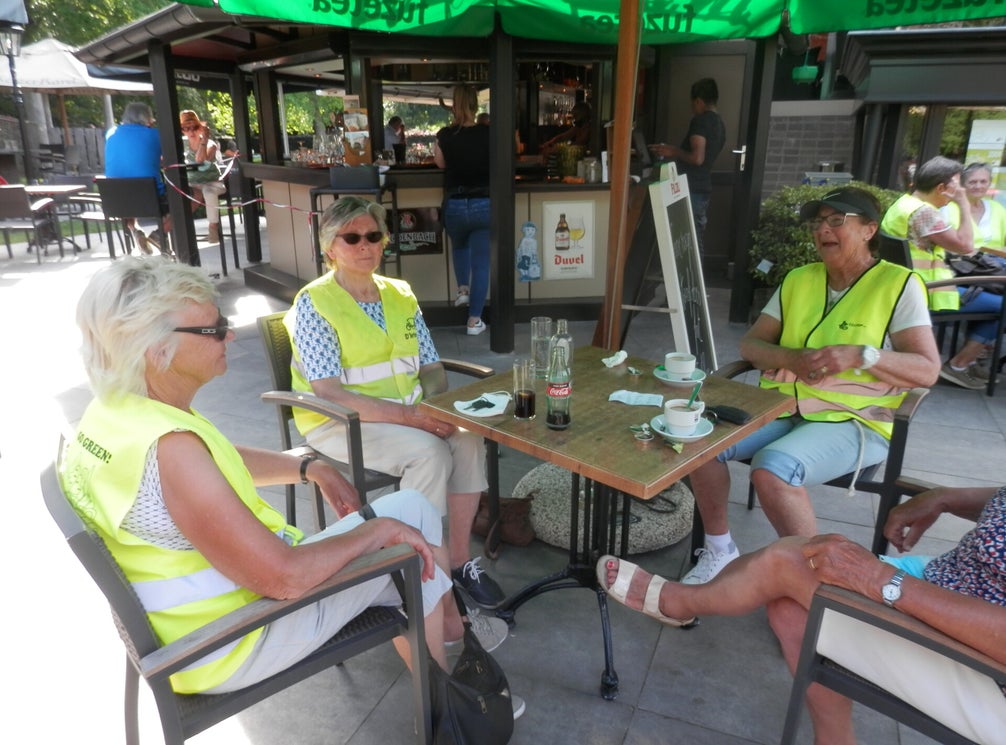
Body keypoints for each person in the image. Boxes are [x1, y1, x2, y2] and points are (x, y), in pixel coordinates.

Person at [59, 258, 528, 721]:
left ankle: (450, 641)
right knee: (408, 550)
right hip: (230, 638)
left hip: (189, 621)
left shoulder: (116, 415)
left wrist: (308, 466)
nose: (229, 335)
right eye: (214, 329)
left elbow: (213, 461)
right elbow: (284, 578)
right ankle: (454, 704)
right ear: (154, 349)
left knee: (411, 515)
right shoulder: (172, 449)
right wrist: (376, 531)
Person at [598, 480, 1006, 745]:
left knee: (787, 563)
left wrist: (880, 579)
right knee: (789, 605)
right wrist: (947, 498)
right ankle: (835, 738)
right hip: (943, 580)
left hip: (983, 659)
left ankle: (677, 603)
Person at [682, 187, 940, 584]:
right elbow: (751, 345)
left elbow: (926, 370)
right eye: (818, 222)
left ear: (869, 229)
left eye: (837, 221)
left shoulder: (899, 284)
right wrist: (791, 359)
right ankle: (719, 550)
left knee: (773, 469)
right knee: (697, 441)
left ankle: (813, 581)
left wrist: (863, 355)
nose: (823, 230)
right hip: (782, 407)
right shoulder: (798, 279)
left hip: (855, 419)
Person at [285, 196, 509, 618]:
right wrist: (414, 418)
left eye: (373, 236)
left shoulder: (400, 294)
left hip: (407, 416)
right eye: (351, 238)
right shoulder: (315, 302)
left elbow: (431, 367)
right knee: (429, 454)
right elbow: (329, 392)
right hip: (340, 423)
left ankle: (458, 562)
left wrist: (439, 410)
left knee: (467, 438)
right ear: (329, 246)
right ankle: (421, 575)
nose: (365, 245)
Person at [881, 156, 1003, 390]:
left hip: (909, 286)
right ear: (941, 188)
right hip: (929, 291)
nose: (959, 191)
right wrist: (964, 204)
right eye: (956, 186)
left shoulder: (904, 203)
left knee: (989, 296)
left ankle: (970, 360)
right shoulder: (925, 214)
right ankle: (958, 365)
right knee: (1002, 305)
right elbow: (966, 245)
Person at [434, 85, 491, 335]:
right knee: (481, 264)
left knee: (459, 246)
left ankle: (462, 290)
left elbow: (440, 163)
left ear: (454, 105)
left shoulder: (445, 134)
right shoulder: (488, 133)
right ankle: (474, 321)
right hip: (483, 203)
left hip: (455, 203)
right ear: (475, 105)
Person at [648, 78, 726, 253]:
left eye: (693, 103)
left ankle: (694, 272)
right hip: (703, 188)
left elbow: (697, 158)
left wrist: (673, 151)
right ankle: (694, 271)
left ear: (698, 101)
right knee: (695, 237)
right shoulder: (720, 124)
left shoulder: (700, 121)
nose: (692, 108)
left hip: (692, 189)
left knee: (691, 239)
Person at [103, 101, 172, 255]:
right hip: (151, 198)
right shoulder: (155, 134)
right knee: (189, 197)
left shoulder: (111, 135)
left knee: (127, 193)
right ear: (147, 118)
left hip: (116, 201)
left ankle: (135, 231)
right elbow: (170, 160)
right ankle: (159, 234)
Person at [180, 109, 227, 245]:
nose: (191, 131)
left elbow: (200, 160)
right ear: (182, 130)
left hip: (212, 183)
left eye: (194, 127)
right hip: (192, 184)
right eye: (186, 128)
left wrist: (204, 140)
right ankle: (175, 228)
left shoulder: (210, 144)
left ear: (200, 127)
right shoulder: (181, 145)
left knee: (208, 191)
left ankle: (213, 227)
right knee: (181, 196)